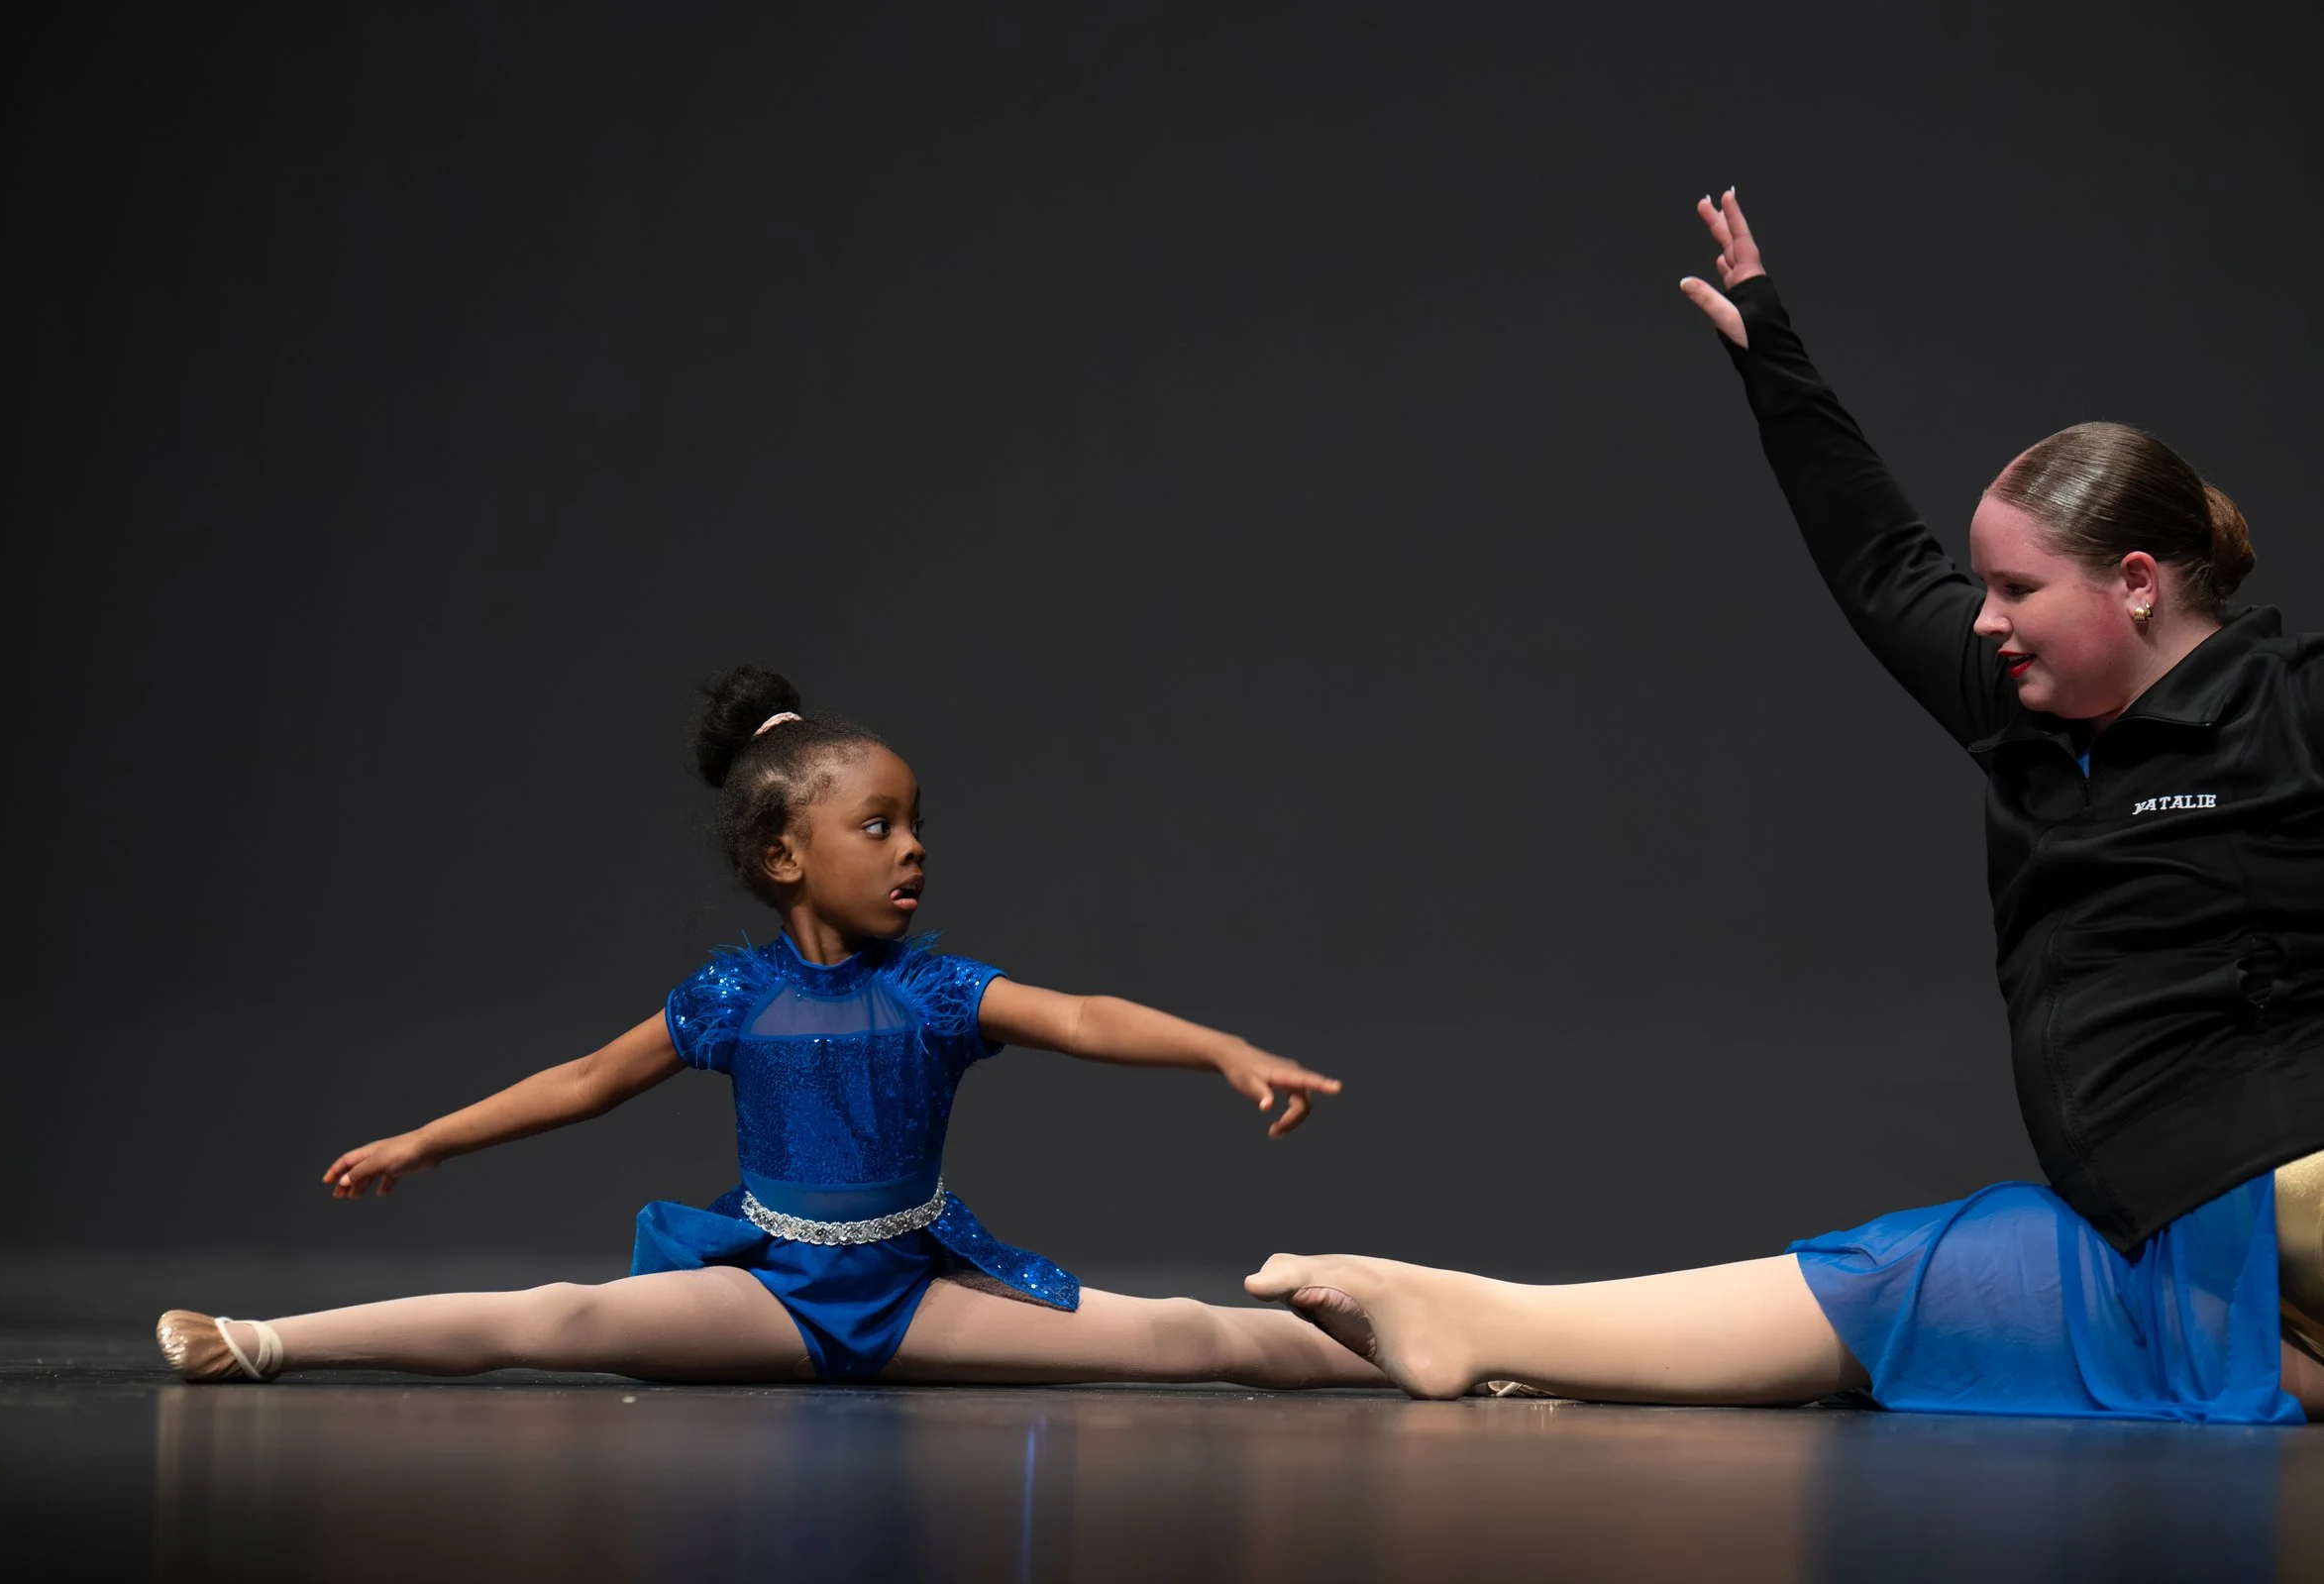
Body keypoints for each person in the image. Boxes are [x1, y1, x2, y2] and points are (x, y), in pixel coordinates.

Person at [1247, 190, 2324, 1424]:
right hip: (2152, 1225)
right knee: (1916, 1272)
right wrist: (1777, 362)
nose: (1983, 618)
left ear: (2134, 584)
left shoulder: (2284, 709)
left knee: (2037, 1289)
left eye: (2017, 588)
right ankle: (1479, 1317)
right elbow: (1877, 562)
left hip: (2282, 1185)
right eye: (1984, 587)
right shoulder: (2017, 713)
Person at [157, 666, 1382, 1389]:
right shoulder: (730, 998)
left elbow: (1078, 1014)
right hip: (772, 1291)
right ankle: (265, 1339)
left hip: (912, 1288)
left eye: (916, 825)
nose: (911, 849)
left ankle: (1423, 1353)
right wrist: (423, 1141)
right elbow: (584, 1079)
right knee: (560, 1316)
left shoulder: (937, 990)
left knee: (1185, 1334)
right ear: (782, 854)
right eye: (877, 826)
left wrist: (1220, 1046)